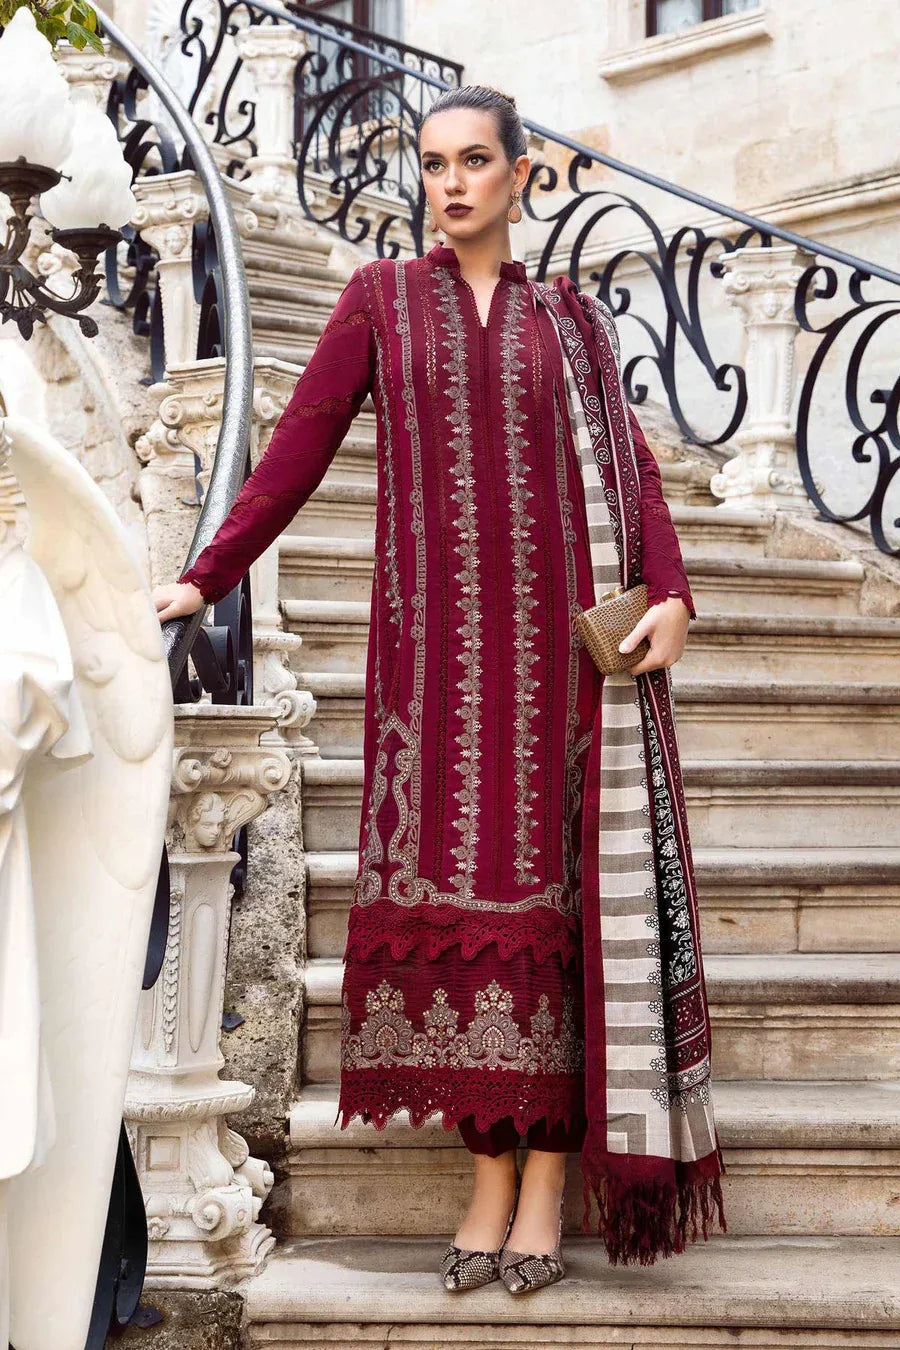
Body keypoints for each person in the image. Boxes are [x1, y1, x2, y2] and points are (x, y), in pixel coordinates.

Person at [153, 84, 721, 1294]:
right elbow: (296, 447)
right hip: (431, 678)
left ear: (521, 176)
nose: (451, 182)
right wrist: (208, 576)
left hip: (559, 672)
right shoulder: (378, 302)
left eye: (475, 161)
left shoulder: (570, 321)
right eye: (433, 163)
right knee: (462, 920)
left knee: (555, 919)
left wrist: (671, 592)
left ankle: (549, 1182)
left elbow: (632, 470)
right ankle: (487, 1177)